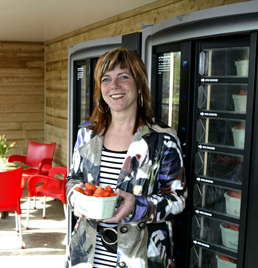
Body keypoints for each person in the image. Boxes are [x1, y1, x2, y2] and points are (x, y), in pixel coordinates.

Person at [65, 48, 187, 268]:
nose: (115, 86)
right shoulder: (86, 134)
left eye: (124, 77)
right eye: (106, 79)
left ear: (139, 84)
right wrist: (76, 198)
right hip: (86, 255)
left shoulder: (163, 139)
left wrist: (137, 206)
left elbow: (177, 199)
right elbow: (73, 180)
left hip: (141, 256)